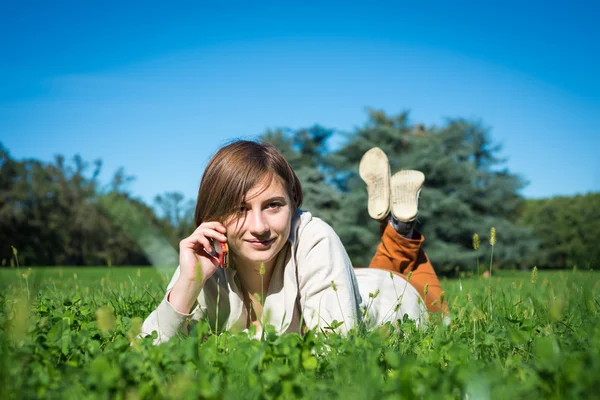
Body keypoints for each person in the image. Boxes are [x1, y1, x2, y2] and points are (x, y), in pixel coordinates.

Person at [141, 141, 446, 343]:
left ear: (294, 204)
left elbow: (336, 351)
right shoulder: (203, 254)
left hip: (396, 295)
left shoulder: (316, 236)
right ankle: (398, 223)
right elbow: (148, 352)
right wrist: (187, 285)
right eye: (239, 209)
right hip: (351, 279)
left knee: (439, 316)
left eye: (273, 205)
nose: (258, 227)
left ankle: (401, 226)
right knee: (363, 269)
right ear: (213, 215)